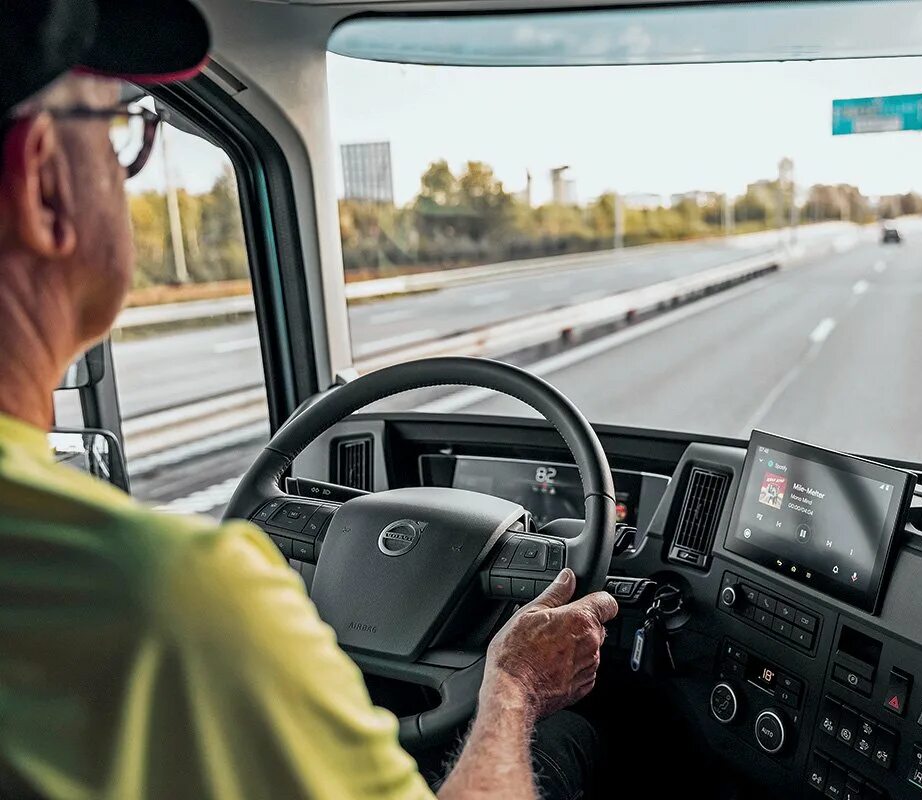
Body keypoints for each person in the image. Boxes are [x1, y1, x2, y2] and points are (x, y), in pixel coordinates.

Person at [0, 2, 618, 798]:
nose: (129, 169)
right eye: (121, 133)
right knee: (571, 741)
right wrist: (513, 686)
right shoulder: (175, 606)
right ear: (45, 181)